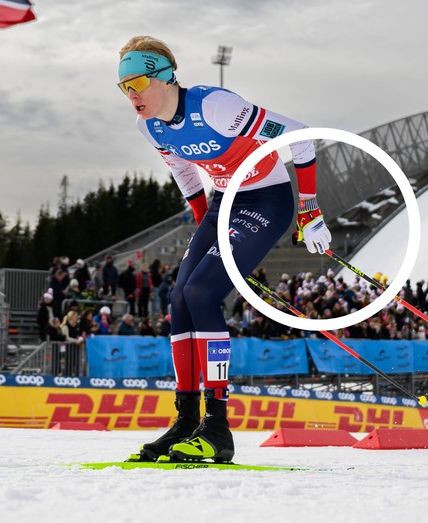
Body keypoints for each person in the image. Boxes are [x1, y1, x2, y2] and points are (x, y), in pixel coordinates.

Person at [117, 35, 330, 462]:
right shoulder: (149, 125)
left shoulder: (217, 108)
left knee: (201, 293)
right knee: (179, 298)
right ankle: (185, 420)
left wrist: (310, 210)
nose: (132, 95)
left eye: (138, 83)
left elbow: (302, 137)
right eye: (123, 87)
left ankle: (216, 428)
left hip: (267, 198)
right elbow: (185, 174)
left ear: (165, 77)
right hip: (223, 205)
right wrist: (205, 228)